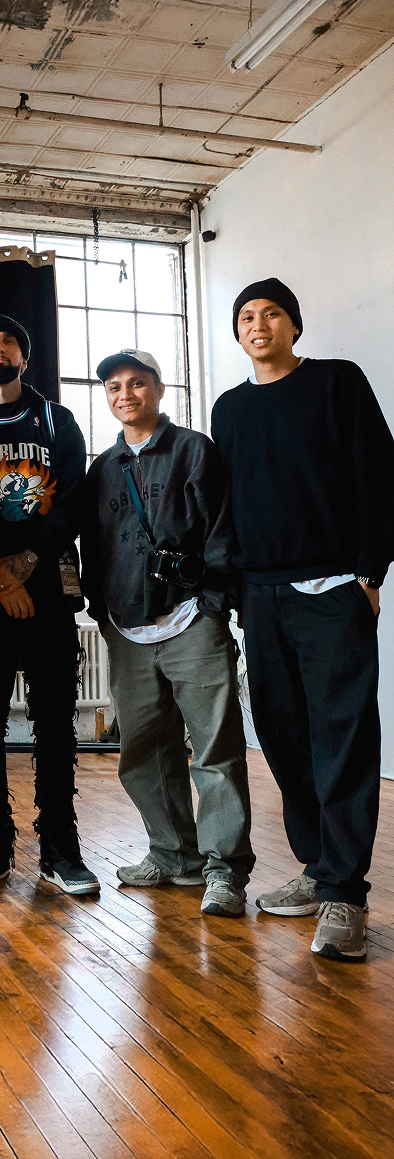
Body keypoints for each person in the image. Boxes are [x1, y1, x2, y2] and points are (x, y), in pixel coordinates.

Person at [211, 278, 394, 960]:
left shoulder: (338, 382)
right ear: (238, 333)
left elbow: (379, 475)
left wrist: (370, 572)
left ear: (294, 325)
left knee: (343, 738)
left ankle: (346, 895)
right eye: (246, 317)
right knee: (283, 736)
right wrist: (236, 591)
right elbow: (227, 503)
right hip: (261, 596)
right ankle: (319, 868)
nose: (258, 325)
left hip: (333, 590)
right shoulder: (229, 409)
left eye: (272, 313)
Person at [84, 349, 254, 916]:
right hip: (127, 628)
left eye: (137, 383)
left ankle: (224, 871)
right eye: (114, 386)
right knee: (143, 753)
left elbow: (222, 528)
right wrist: (100, 608)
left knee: (214, 751)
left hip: (191, 621)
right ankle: (174, 854)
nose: (125, 394)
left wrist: (213, 604)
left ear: (158, 390)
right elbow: (93, 544)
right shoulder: (102, 468)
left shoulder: (193, 450)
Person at [0, 314, 96, 896]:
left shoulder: (56, 420)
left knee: (55, 721)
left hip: (48, 588)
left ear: (24, 360)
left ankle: (59, 846)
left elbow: (74, 501)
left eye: (8, 341)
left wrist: (27, 562)